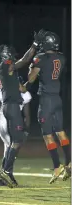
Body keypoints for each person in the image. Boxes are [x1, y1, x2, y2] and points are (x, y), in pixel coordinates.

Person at [0, 29, 46, 188]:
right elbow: (24, 60)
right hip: (13, 106)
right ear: (2, 57)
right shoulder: (5, 66)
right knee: (17, 140)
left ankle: (3, 175)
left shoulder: (4, 71)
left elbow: (21, 88)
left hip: (9, 106)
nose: (10, 55)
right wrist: (35, 45)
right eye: (7, 53)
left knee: (13, 142)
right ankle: (6, 172)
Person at [22, 31, 71, 184]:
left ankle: (57, 167)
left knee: (48, 135)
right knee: (61, 132)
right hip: (57, 98)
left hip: (47, 100)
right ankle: (69, 162)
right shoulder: (62, 57)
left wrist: (32, 67)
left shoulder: (41, 58)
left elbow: (31, 78)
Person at [0, 85, 32, 186]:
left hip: (15, 122)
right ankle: (6, 174)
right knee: (12, 146)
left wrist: (26, 130)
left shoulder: (25, 95)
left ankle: (1, 176)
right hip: (3, 122)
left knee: (9, 150)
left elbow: (27, 115)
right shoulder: (1, 92)